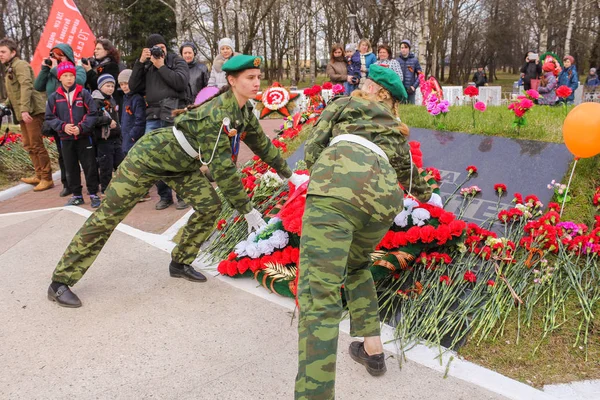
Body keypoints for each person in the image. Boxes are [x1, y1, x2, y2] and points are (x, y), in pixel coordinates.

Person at [46, 54, 293, 308]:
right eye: (250, 78)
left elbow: (261, 144)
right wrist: (247, 210)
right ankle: (60, 282)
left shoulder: (242, 110)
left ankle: (180, 262)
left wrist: (290, 174)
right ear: (231, 80)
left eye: (258, 77)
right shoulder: (217, 113)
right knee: (107, 217)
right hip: (148, 159)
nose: (256, 83)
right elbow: (223, 170)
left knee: (210, 206)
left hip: (181, 164)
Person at [295, 64, 441, 399]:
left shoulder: (345, 104)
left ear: (377, 90)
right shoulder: (395, 128)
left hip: (337, 192)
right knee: (358, 266)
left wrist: (326, 173)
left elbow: (312, 151)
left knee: (320, 298)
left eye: (366, 82)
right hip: (382, 205)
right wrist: (430, 196)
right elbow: (413, 181)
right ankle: (373, 350)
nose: (360, 84)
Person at [129, 33, 190, 211]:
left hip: (173, 113)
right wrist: (140, 63)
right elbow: (133, 87)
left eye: (161, 48)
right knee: (155, 158)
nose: (158, 51)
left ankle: (182, 195)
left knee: (177, 156)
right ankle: (165, 196)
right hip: (153, 115)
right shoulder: (146, 65)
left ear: (165, 47)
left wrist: (161, 66)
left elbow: (181, 83)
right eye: (154, 48)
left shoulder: (176, 60)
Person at [0, 37, 53, 191]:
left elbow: (26, 86)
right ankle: (38, 175)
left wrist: (24, 109)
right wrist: (5, 105)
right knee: (29, 145)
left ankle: (47, 178)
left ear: (13, 52)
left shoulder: (20, 65)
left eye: (3, 52)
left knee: (36, 145)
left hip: (32, 111)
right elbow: (14, 92)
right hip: (23, 112)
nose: (0, 55)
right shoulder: (10, 67)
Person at [34, 43, 87, 197]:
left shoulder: (77, 69)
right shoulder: (51, 72)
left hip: (77, 118)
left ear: (69, 56)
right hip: (59, 120)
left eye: (60, 55)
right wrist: (45, 68)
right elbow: (38, 86)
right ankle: (68, 184)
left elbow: (80, 83)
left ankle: (91, 182)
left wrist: (57, 68)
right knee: (63, 154)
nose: (57, 58)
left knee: (84, 154)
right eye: (54, 55)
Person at [44, 61, 100, 208]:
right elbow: (50, 117)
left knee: (90, 166)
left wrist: (81, 127)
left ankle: (93, 193)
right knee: (71, 168)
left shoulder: (84, 93)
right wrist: (63, 126)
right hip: (65, 139)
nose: (69, 78)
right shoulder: (54, 97)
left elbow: (92, 114)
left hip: (84, 137)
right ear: (59, 78)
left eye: (71, 75)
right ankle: (76, 195)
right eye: (65, 75)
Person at [92, 74, 125, 194]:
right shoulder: (96, 101)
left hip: (116, 137)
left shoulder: (111, 99)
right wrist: (108, 121)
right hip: (104, 139)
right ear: (101, 86)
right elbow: (93, 119)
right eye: (107, 86)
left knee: (121, 164)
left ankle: (124, 188)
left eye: (112, 86)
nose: (110, 88)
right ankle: (106, 190)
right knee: (106, 166)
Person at [118, 69, 146, 155]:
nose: (124, 87)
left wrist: (133, 135)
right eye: (121, 84)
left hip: (133, 139)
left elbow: (140, 120)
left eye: (126, 83)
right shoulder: (125, 99)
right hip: (126, 137)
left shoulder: (137, 99)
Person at [395, 39, 422, 104]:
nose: (403, 49)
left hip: (410, 91)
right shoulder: (396, 61)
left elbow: (420, 75)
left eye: (405, 47)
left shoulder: (414, 61)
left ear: (409, 49)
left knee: (411, 110)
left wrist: (414, 87)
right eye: (402, 48)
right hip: (399, 91)